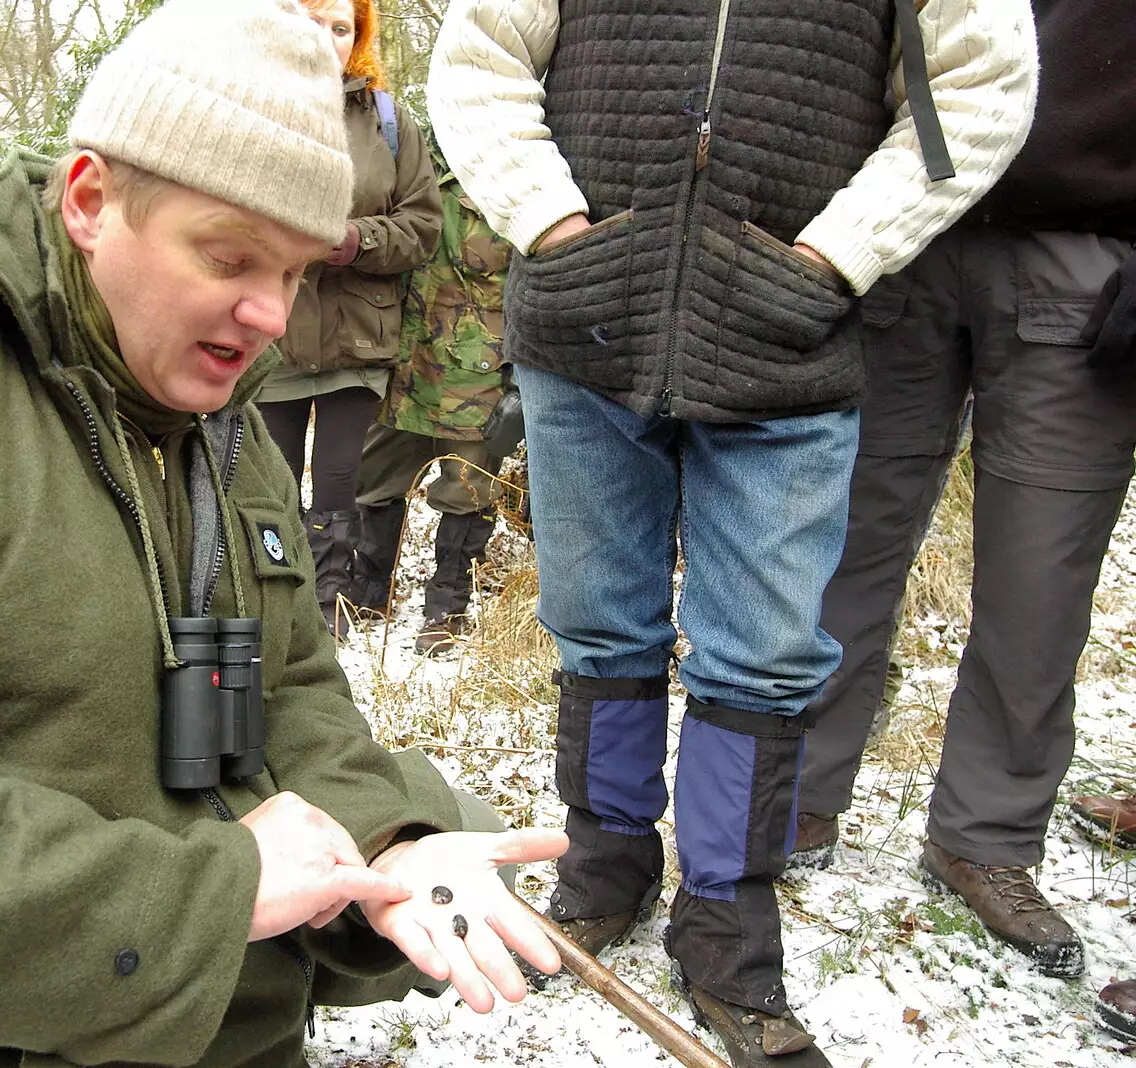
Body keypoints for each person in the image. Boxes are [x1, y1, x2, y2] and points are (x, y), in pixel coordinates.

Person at [0, 3, 569, 1066]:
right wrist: (207, 898)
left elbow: (286, 696)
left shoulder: (222, 429)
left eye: (296, 272)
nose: (269, 316)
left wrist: (390, 839)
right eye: (229, 257)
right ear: (89, 199)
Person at [428, 0, 1036, 1063]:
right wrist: (553, 227)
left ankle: (726, 931)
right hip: (583, 322)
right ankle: (605, 862)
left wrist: (836, 255)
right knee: (594, 622)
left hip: (788, 339)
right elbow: (478, 56)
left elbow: (978, 89)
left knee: (761, 654)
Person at [790, 0, 1136, 986]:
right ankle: (796, 794)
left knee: (1040, 579)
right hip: (905, 224)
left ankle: (984, 835)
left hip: (1089, 252)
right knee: (839, 541)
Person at [256, 0, 443, 636]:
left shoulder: (388, 122)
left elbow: (423, 227)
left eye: (343, 28)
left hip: (358, 336)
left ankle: (324, 619)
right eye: (316, 23)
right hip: (270, 335)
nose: (329, 38)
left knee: (338, 488)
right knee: (270, 485)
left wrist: (354, 239)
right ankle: (272, 611)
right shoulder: (246, 102)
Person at [349, 140, 516, 656]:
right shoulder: (414, 170)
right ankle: (368, 593)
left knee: (467, 493)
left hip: (477, 378)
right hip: (403, 368)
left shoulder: (516, 184)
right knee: (372, 483)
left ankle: (446, 608)